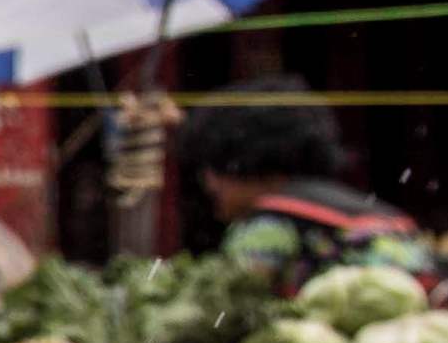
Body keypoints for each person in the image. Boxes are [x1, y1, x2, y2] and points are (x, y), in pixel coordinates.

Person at [183, 79, 430, 290]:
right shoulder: (383, 215)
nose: (207, 183)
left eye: (213, 166)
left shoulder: (268, 224)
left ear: (247, 161)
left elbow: (228, 304)